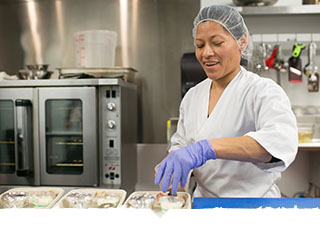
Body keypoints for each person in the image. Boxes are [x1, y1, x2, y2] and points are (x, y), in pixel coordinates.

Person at [154, 5, 298, 197]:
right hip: (204, 204)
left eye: (217, 43)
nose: (206, 53)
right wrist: (172, 163)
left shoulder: (262, 91)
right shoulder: (192, 96)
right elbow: (181, 143)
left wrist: (206, 149)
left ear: (242, 42)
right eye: (199, 45)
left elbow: (279, 142)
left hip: (253, 206)